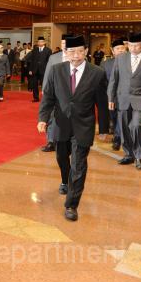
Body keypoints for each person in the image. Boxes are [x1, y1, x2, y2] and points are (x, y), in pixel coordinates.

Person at [38, 34, 109, 222]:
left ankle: (71, 204)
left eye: (79, 51)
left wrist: (103, 128)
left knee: (79, 164)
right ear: (66, 52)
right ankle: (65, 180)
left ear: (86, 51)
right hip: (61, 123)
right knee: (61, 157)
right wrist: (43, 118)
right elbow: (48, 97)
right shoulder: (56, 70)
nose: (76, 55)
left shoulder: (97, 73)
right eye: (71, 52)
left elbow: (102, 103)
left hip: (84, 124)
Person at [108, 32, 141, 170]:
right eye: (130, 46)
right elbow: (114, 80)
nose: (133, 48)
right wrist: (111, 98)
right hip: (123, 98)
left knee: (137, 126)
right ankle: (129, 154)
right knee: (125, 127)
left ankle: (139, 156)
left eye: (136, 46)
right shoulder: (121, 58)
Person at [39, 34, 72, 153]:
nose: (64, 46)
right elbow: (47, 74)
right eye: (62, 43)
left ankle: (68, 139)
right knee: (52, 116)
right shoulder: (54, 57)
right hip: (55, 91)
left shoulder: (76, 57)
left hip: (71, 93)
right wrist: (45, 89)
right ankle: (51, 141)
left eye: (66, 44)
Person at [101, 38, 127, 151]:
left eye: (122, 48)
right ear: (112, 50)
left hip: (125, 97)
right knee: (114, 118)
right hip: (111, 97)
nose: (120, 50)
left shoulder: (131, 62)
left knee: (122, 117)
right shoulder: (105, 64)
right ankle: (117, 133)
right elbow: (102, 82)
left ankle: (117, 138)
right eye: (118, 48)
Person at [28, 36, 51, 102]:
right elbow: (32, 60)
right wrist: (30, 69)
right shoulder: (34, 50)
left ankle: (45, 98)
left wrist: (48, 70)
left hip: (44, 70)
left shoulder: (48, 50)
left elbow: (49, 61)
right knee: (34, 84)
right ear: (37, 43)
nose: (40, 43)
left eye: (41, 41)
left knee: (44, 84)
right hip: (35, 70)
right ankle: (36, 98)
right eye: (39, 42)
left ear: (44, 42)